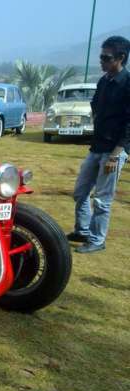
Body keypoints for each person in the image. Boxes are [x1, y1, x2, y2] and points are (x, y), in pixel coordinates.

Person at [68, 36, 130, 254]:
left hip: (113, 151)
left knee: (102, 200)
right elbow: (95, 105)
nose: (101, 61)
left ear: (121, 58)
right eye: (101, 56)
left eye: (106, 57)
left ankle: (96, 240)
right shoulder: (104, 81)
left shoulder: (127, 83)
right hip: (96, 147)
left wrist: (116, 154)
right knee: (80, 192)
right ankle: (82, 230)